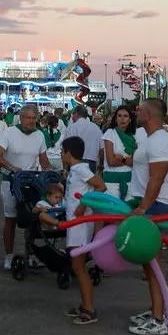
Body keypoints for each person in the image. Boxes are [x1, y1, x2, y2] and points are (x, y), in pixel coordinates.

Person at [126, 99, 168, 335]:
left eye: (139, 109)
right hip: (146, 204)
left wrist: (144, 207)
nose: (136, 111)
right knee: (148, 264)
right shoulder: (150, 139)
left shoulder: (159, 140)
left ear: (149, 113)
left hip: (154, 206)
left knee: (153, 263)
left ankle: (159, 319)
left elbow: (158, 176)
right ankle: (156, 309)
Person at [0, 104, 51, 270]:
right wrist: (11, 167)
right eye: (28, 118)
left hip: (31, 182)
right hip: (11, 181)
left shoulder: (39, 135)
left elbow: (43, 159)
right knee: (10, 219)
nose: (31, 121)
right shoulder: (10, 132)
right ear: (21, 118)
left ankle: (31, 254)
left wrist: (51, 172)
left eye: (34, 118)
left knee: (32, 219)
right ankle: (9, 256)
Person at [62, 136, 106, 325]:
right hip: (75, 222)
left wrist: (83, 204)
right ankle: (84, 304)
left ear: (68, 153)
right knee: (76, 266)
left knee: (79, 267)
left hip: (80, 224)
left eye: (62, 152)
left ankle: (89, 309)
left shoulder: (80, 169)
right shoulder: (74, 170)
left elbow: (100, 186)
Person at [101, 106, 137, 201]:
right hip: (111, 183)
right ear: (116, 119)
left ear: (130, 120)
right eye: (119, 116)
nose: (122, 119)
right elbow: (111, 162)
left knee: (128, 213)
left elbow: (134, 162)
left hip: (129, 181)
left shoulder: (133, 137)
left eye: (125, 116)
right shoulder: (110, 133)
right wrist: (126, 161)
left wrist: (121, 158)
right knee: (112, 213)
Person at [63, 105, 103, 173]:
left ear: (76, 114)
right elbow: (101, 149)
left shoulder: (71, 128)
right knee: (90, 183)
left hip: (74, 163)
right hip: (91, 163)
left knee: (75, 183)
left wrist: (65, 166)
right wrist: (101, 164)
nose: (72, 117)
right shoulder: (96, 128)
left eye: (72, 114)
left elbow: (65, 148)